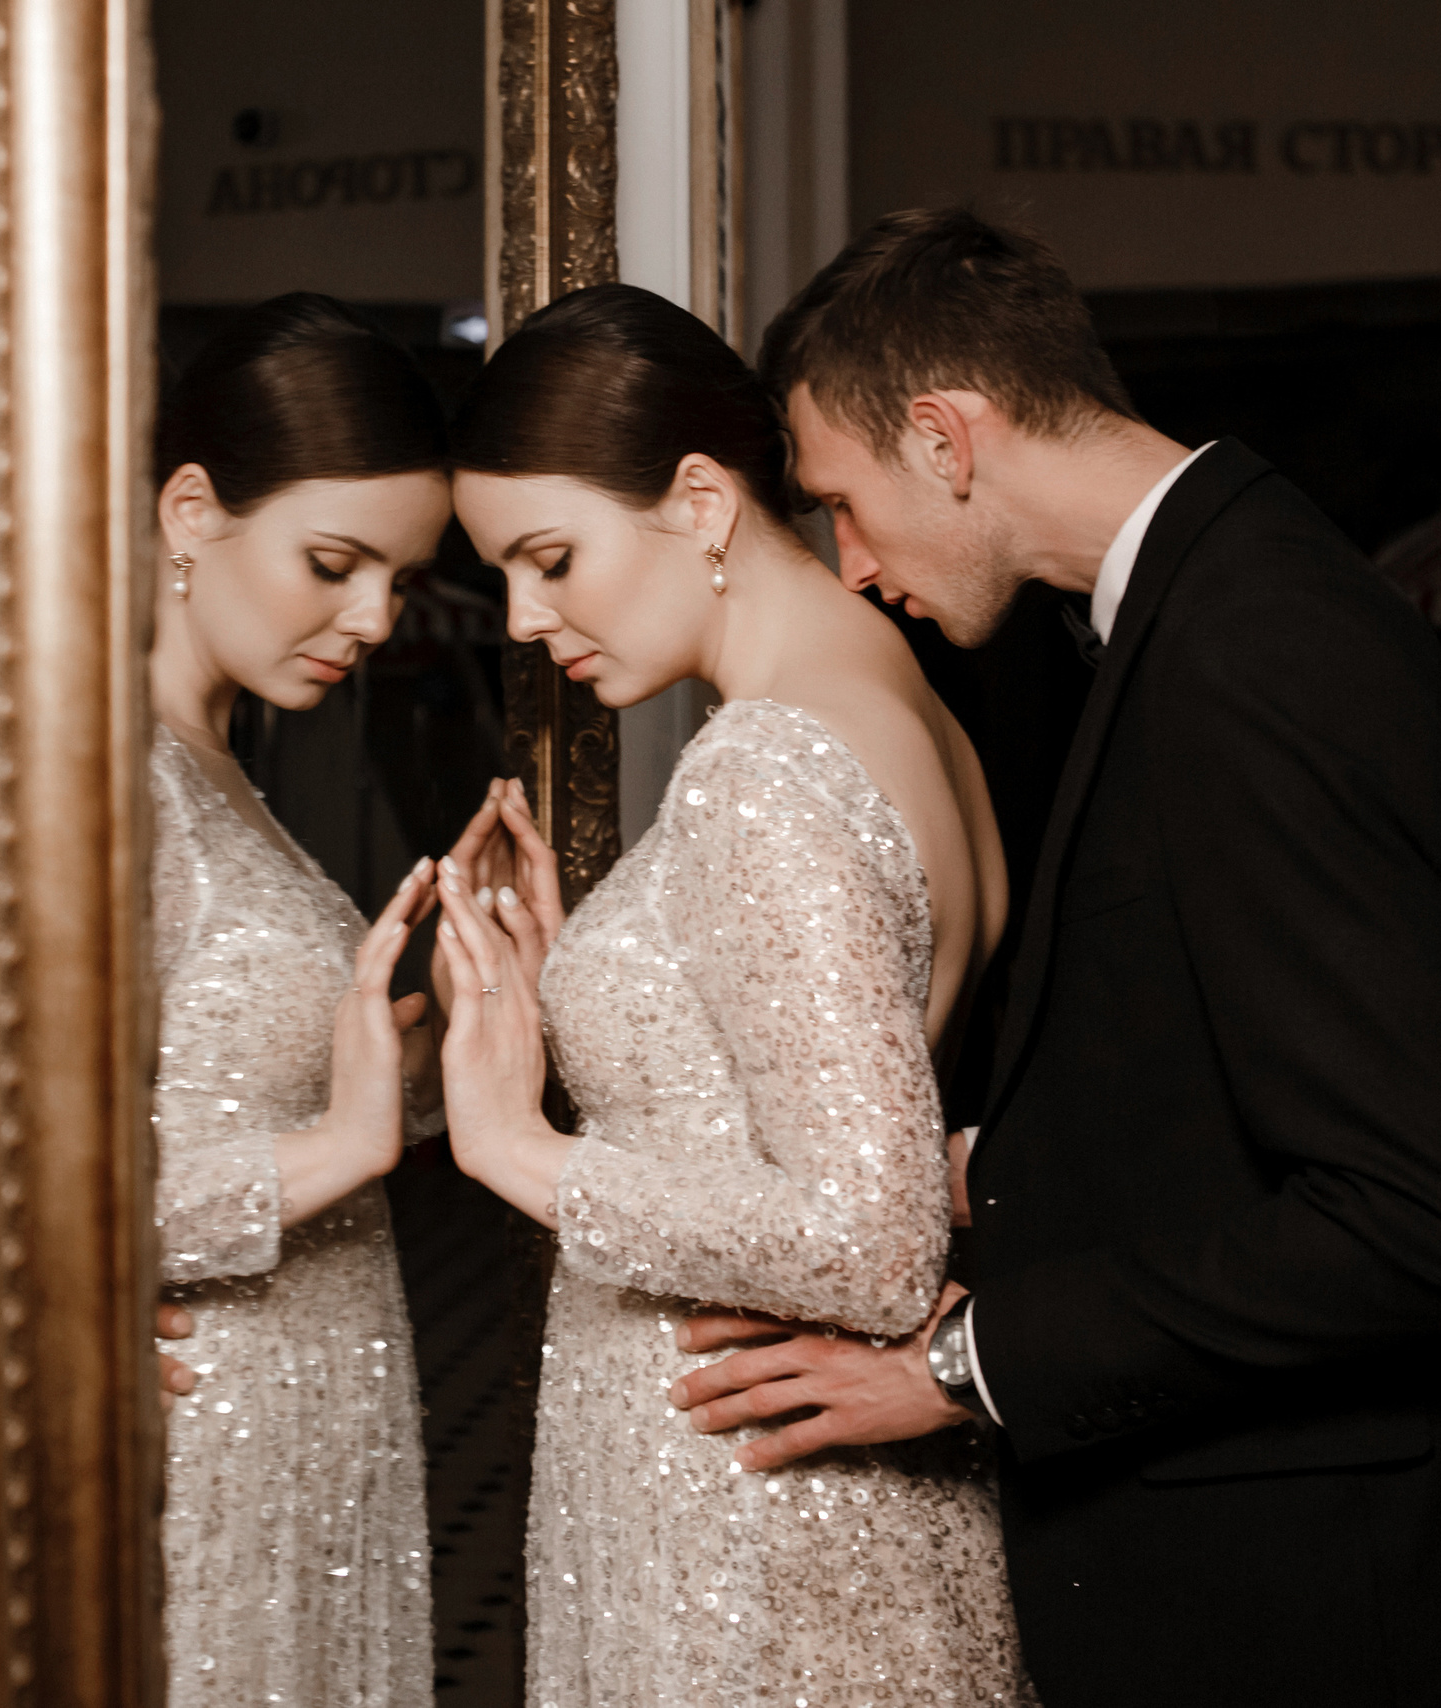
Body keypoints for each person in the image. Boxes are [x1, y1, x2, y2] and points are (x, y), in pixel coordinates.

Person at [671, 207, 1441, 1708]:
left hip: (1339, 1599)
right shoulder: (1209, 599)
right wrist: (998, 1168)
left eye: (843, 503)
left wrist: (961, 1365)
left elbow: (1421, 1217)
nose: (854, 566)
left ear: (945, 436)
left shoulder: (1259, 649)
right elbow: (1246, 1064)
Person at [430, 282, 1034, 1707]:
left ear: (701, 502)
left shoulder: (760, 771)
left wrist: (515, 1146)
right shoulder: (896, 697)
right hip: (787, 1499)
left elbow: (866, 1241)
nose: (523, 617)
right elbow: (816, 1071)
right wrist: (613, 975)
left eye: (551, 556)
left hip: (744, 1526)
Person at [147, 293, 453, 1708]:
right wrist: (340, 1151)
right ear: (192, 511)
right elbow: (6, 1182)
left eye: (399, 575)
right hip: (207, 1443)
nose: (375, 617)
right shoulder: (111, 777)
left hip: (321, 1420)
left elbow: (220, 1084)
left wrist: (431, 1040)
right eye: (334, 562)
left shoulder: (218, 766)